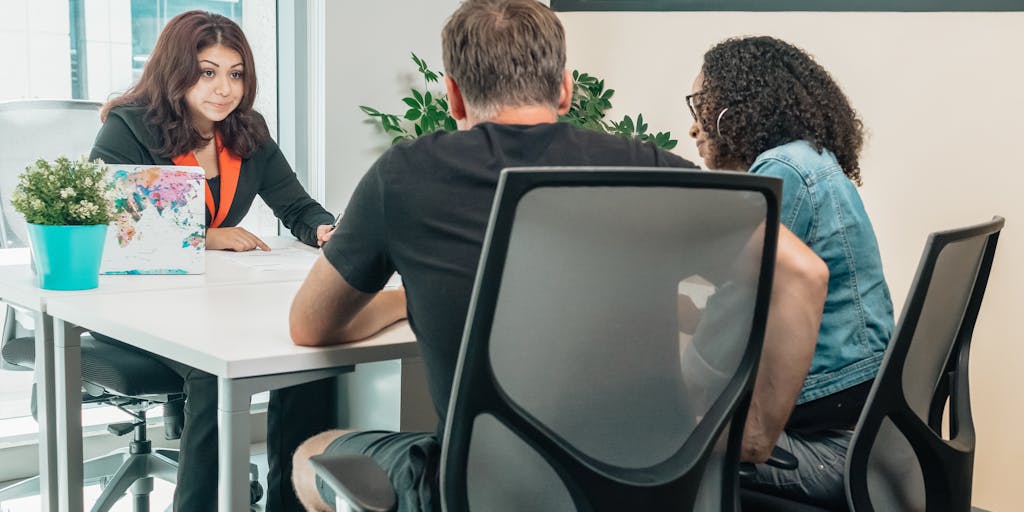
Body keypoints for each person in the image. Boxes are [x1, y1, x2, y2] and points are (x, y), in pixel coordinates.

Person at [287, 2, 828, 511]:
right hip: (654, 488)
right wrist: (754, 436)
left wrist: (403, 301)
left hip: (487, 493)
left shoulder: (404, 176)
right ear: (566, 91)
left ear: (452, 96)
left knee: (313, 455)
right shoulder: (649, 170)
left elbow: (311, 327)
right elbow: (801, 273)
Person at [89, 10, 336, 511]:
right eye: (207, 72)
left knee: (309, 362)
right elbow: (112, 228)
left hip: (212, 302)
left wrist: (326, 230)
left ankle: (292, 504)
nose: (224, 88)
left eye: (236, 73)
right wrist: (208, 236)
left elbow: (296, 206)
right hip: (132, 306)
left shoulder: (247, 130)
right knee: (215, 370)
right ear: (176, 71)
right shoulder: (129, 128)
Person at [687, 36, 895, 507]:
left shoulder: (786, 171)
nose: (693, 128)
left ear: (737, 107)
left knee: (650, 435)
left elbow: (730, 328)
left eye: (701, 105)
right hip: (863, 418)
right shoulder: (810, 160)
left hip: (832, 440)